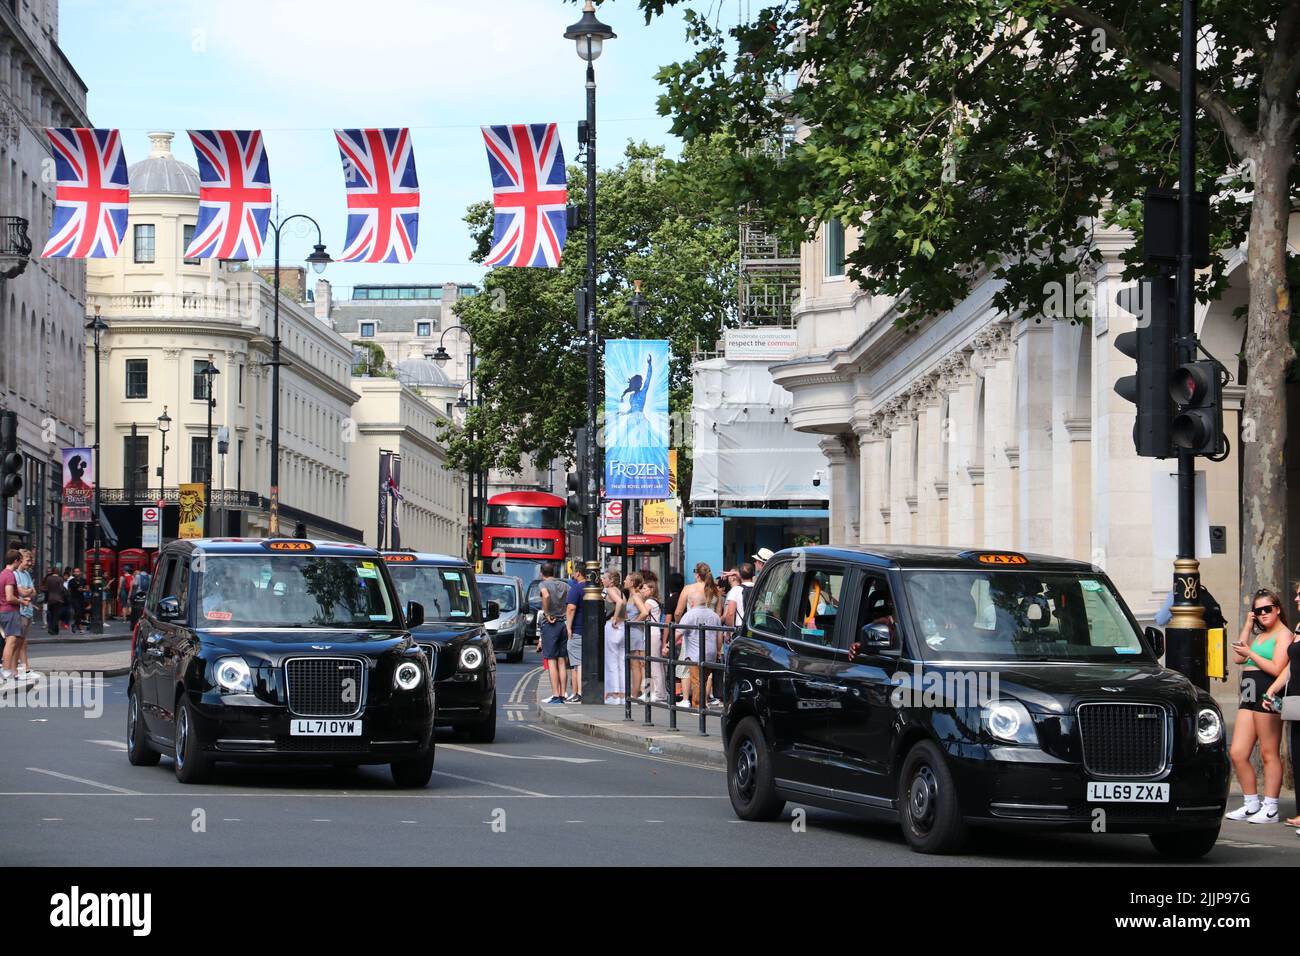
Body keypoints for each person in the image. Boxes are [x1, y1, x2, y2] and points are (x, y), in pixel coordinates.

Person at [1224, 588, 1292, 824]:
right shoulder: (1260, 635)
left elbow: (1277, 668)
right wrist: (1247, 623)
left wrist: (1251, 651)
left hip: (1267, 693)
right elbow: (1238, 657)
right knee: (1238, 752)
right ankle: (1251, 803)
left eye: (1266, 609)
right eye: (1257, 611)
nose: (1262, 614)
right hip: (1249, 694)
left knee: (1268, 751)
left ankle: (1270, 806)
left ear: (1277, 609)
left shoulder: (1283, 634)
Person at [1262, 581, 1300, 827]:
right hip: (1296, 700)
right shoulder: (1298, 626)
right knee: (1297, 753)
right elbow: (1289, 666)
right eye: (1297, 594)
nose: (1296, 599)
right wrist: (1272, 689)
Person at [675, 563, 723, 709]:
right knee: (706, 672)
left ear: (696, 574)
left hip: (691, 632)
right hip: (711, 633)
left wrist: (680, 625)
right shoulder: (715, 590)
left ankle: (686, 699)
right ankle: (705, 701)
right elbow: (719, 614)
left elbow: (678, 611)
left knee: (687, 667)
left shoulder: (689, 589)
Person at [535, 562, 569, 704]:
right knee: (562, 661)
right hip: (563, 623)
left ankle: (555, 695)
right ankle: (562, 694)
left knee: (551, 661)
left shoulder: (543, 585)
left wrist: (547, 612)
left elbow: (546, 595)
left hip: (551, 624)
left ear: (542, 573)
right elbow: (570, 602)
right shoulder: (564, 585)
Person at [1, 549, 32, 685]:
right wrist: (22, 601)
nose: (20, 563)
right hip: (10, 611)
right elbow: (9, 597)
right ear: (15, 561)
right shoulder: (9, 575)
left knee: (11, 641)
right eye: (20, 560)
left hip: (4, 611)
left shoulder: (2, 574)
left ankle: (8, 670)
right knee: (11, 642)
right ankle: (6, 671)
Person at [602, 569, 626, 705]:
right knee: (621, 662)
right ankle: (622, 694)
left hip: (613, 627)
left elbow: (620, 603)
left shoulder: (611, 590)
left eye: (605, 578)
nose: (603, 580)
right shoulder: (621, 591)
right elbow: (624, 604)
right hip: (622, 627)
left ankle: (614, 695)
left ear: (611, 580)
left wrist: (614, 618)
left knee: (611, 661)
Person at [564, 564, 587, 702]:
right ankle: (577, 692)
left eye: (574, 572)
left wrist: (568, 627)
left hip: (577, 630)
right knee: (579, 663)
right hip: (590, 631)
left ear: (578, 573)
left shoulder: (576, 588)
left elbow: (571, 609)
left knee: (577, 663)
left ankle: (579, 692)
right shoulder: (592, 588)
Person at [14, 550, 38, 680]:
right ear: (20, 560)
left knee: (23, 642)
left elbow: (34, 592)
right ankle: (20, 669)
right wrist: (28, 591)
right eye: (27, 560)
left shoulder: (27, 574)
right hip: (19, 611)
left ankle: (24, 668)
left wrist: (27, 591)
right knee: (18, 641)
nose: (30, 563)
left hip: (28, 611)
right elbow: (22, 592)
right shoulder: (15, 574)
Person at [43, 566, 69, 636]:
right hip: (58, 599)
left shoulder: (49, 578)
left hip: (50, 599)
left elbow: (46, 588)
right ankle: (54, 629)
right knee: (56, 615)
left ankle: (50, 628)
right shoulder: (60, 579)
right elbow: (61, 589)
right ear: (58, 571)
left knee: (50, 614)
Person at [66, 566, 85, 633]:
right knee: (77, 611)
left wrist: (83, 589)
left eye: (78, 571)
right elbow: (69, 590)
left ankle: (74, 624)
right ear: (73, 573)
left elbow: (87, 588)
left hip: (81, 598)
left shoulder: (83, 580)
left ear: (80, 573)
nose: (76, 573)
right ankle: (79, 626)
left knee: (80, 612)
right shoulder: (71, 581)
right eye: (75, 572)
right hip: (74, 598)